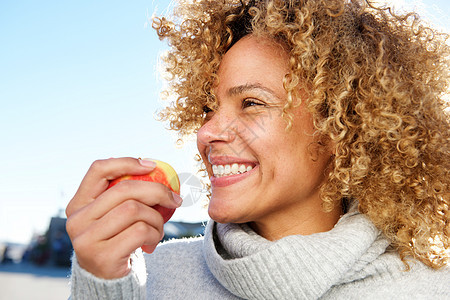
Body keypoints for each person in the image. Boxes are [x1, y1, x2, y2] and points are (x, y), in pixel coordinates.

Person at [66, 0, 449, 298]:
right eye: (207, 108)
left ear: (344, 125)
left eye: (251, 102)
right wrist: (101, 285)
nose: (207, 134)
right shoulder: (151, 277)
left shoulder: (433, 290)